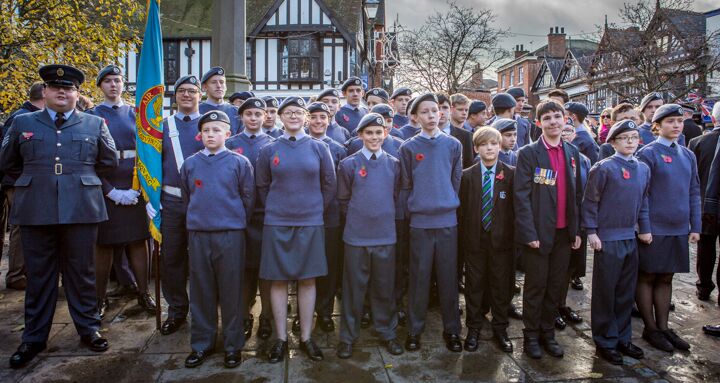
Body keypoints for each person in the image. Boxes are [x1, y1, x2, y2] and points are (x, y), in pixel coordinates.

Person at [1, 64, 118, 368]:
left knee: (82, 273)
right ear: (45, 91)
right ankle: (33, 338)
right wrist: (36, 183)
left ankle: (89, 328)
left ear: (78, 94)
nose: (62, 92)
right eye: (55, 88)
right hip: (36, 208)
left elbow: (108, 160)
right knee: (39, 276)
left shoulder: (94, 124)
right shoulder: (22, 122)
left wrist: (76, 180)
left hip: (81, 207)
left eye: (68, 88)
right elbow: (8, 163)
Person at [256, 97, 336, 363]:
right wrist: (280, 208)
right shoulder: (269, 149)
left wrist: (313, 209)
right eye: (288, 112)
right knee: (277, 280)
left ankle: (306, 337)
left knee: (308, 279)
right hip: (277, 222)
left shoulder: (319, 148)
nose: (293, 116)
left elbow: (329, 184)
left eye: (298, 112)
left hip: (311, 221)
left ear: (306, 117)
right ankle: (280, 338)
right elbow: (262, 185)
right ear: (279, 116)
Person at [180, 110, 254, 369]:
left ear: (228, 133)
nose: (211, 135)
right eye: (207, 131)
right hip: (200, 234)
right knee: (201, 290)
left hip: (230, 234)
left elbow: (247, 198)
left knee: (232, 290)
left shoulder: (239, 163)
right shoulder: (190, 164)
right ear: (200, 135)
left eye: (217, 130)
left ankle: (233, 345)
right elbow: (188, 198)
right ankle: (202, 343)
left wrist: (232, 221)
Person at [514, 100, 582, 359]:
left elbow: (576, 194)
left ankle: (548, 333)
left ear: (566, 119)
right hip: (538, 235)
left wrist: (575, 230)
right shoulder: (529, 153)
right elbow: (521, 197)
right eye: (548, 118)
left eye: (558, 116)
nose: (554, 122)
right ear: (538, 122)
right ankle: (530, 336)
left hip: (565, 233)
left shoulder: (572, 152)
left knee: (555, 287)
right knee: (535, 287)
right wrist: (529, 233)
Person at [86, 65, 156, 318]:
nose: (113, 85)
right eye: (108, 81)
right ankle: (99, 297)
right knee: (103, 244)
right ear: (100, 86)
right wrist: (110, 191)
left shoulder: (137, 114)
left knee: (139, 241)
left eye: (117, 80)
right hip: (106, 185)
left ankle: (143, 293)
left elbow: (150, 151)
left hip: (136, 184)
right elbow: (87, 159)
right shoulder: (91, 115)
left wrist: (143, 188)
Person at [336, 113, 404, 359]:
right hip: (356, 237)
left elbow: (395, 196)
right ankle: (347, 337)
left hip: (385, 236)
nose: (375, 137)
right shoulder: (348, 165)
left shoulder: (394, 164)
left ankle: (387, 332)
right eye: (369, 132)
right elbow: (343, 199)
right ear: (361, 135)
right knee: (354, 288)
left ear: (385, 134)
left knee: (384, 288)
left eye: (379, 132)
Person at [583, 119, 651, 364]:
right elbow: (590, 202)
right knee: (605, 292)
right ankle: (605, 339)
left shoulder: (643, 168)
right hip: (608, 238)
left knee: (625, 292)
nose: (630, 142)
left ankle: (623, 337)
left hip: (629, 237)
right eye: (624, 138)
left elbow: (644, 202)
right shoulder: (603, 168)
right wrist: (591, 231)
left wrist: (645, 228)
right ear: (612, 142)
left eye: (634, 137)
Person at [399, 93, 463, 352]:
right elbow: (406, 184)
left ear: (441, 113)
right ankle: (414, 330)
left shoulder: (453, 145)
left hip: (447, 221)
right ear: (415, 117)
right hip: (420, 223)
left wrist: (447, 201)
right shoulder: (409, 148)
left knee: (448, 278)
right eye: (424, 112)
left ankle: (452, 330)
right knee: (419, 278)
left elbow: (456, 179)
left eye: (434, 110)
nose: (431, 115)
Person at [635, 104, 701, 352]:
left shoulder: (687, 154)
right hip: (654, 227)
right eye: (670, 121)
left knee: (667, 276)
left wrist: (695, 225)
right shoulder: (648, 153)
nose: (676, 125)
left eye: (679, 121)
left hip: (678, 227)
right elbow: (641, 194)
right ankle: (650, 328)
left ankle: (664, 327)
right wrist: (644, 226)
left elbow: (694, 191)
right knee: (648, 275)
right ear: (657, 125)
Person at [150, 75, 206, 336]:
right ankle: (176, 310)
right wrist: (151, 199)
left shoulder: (210, 125)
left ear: (200, 95)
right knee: (171, 257)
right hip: (171, 202)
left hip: (204, 202)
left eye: (192, 91)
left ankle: (202, 310)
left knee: (201, 259)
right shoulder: (162, 127)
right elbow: (152, 165)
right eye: (182, 91)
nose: (187, 95)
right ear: (174, 96)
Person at [459, 127, 516, 353]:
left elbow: (516, 209)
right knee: (474, 285)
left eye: (493, 144)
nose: (489, 148)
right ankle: (473, 327)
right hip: (475, 241)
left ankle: (500, 328)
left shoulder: (511, 174)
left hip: (502, 243)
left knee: (501, 285)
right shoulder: (467, 176)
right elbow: (462, 212)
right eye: (484, 144)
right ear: (476, 148)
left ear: (500, 146)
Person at [225, 97, 275, 341]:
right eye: (249, 114)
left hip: (266, 216)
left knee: (267, 270)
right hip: (239, 217)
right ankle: (244, 316)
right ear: (241, 117)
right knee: (243, 270)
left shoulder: (274, 143)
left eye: (258, 113)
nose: (254, 118)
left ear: (265, 116)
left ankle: (267, 317)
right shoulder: (231, 143)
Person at [306, 101, 347, 332]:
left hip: (330, 217)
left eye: (323, 117)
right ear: (307, 120)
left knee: (329, 265)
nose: (319, 121)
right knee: (306, 266)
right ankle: (305, 312)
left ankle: (324, 311)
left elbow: (341, 186)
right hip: (305, 216)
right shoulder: (300, 144)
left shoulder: (338, 148)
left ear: (329, 119)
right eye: (314, 117)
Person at [0, 81, 45, 291]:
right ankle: (16, 275)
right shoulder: (20, 118)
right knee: (20, 227)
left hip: (25, 182)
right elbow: (8, 156)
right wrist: (25, 177)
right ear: (44, 96)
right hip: (18, 183)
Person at [555, 124, 592, 331]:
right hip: (559, 220)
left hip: (577, 220)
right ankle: (552, 306)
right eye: (564, 130)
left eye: (569, 129)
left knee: (570, 267)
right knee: (556, 269)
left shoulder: (581, 158)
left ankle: (562, 304)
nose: (565, 132)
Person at [690, 102, 720, 302]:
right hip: (706, 203)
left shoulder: (698, 142)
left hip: (704, 204)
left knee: (705, 248)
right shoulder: (697, 142)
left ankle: (704, 286)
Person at [198, 67, 240, 135]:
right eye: (214, 82)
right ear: (204, 87)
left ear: (226, 87)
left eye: (222, 82)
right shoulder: (197, 110)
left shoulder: (236, 112)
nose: (219, 86)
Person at [438, 93, 473, 169]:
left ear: (450, 109)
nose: (441, 112)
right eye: (437, 108)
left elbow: (468, 166)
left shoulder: (466, 136)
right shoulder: (420, 134)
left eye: (445, 108)